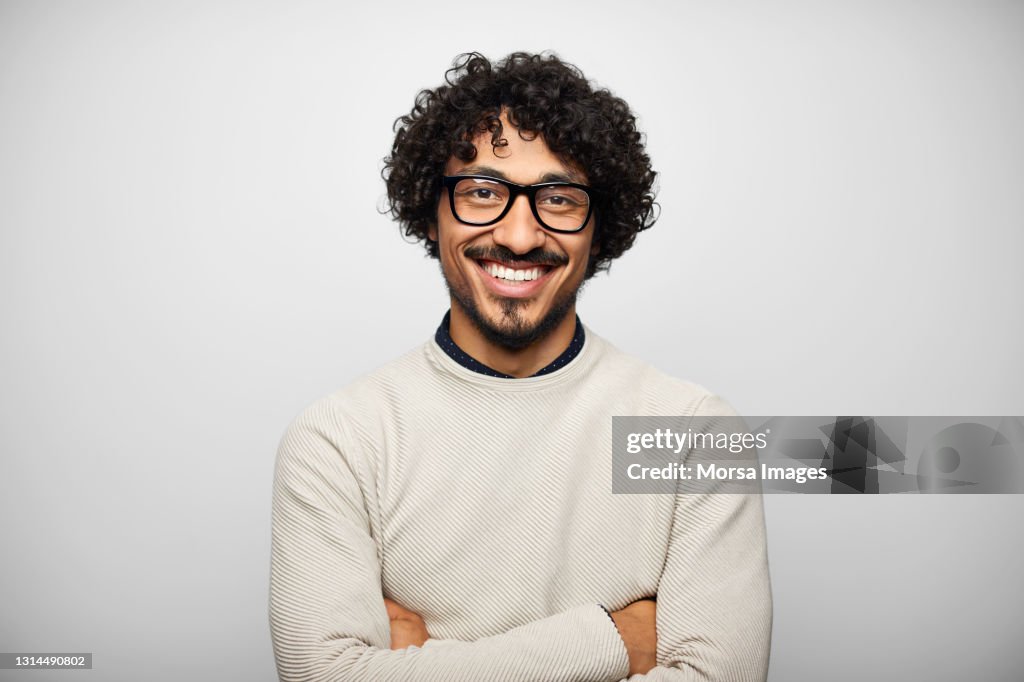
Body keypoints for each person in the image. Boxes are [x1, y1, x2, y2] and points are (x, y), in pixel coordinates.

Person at [269, 51, 772, 681]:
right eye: (482, 192)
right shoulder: (339, 438)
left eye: (558, 199)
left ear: (601, 227)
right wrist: (614, 641)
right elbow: (325, 676)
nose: (519, 236)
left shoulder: (697, 435)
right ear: (432, 210)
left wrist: (425, 667)